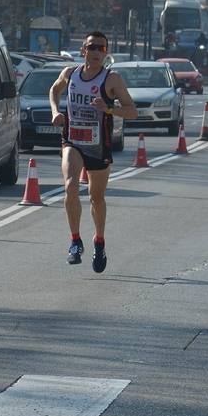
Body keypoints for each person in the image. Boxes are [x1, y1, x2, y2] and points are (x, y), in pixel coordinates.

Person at [48, 31, 137, 273]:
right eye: (92, 47)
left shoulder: (112, 79)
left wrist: (109, 108)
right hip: (73, 140)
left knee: (96, 197)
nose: (96, 51)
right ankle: (75, 242)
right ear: (83, 50)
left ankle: (99, 242)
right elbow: (54, 90)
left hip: (99, 146)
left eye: (101, 48)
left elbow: (132, 111)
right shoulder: (71, 74)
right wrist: (56, 111)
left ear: (106, 53)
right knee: (70, 186)